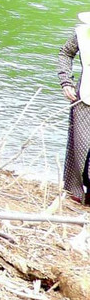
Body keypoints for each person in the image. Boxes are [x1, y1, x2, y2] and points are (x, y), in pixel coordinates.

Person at [55, 12, 90, 204]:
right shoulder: (82, 34)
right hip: (84, 96)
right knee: (81, 146)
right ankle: (76, 190)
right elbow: (65, 53)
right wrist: (66, 82)